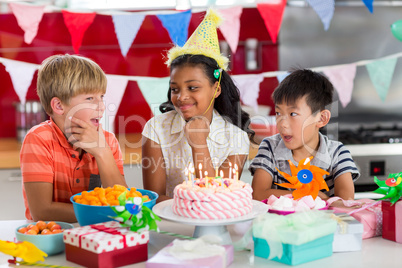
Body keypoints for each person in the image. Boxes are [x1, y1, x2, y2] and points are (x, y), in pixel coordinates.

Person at [142, 10, 254, 202]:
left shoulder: (236, 137)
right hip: (170, 226)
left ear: (216, 89)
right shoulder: (156, 129)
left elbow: (216, 199)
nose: (181, 97)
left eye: (193, 87)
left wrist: (199, 144)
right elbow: (154, 198)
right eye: (175, 89)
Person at [20, 54, 128, 222]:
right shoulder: (39, 139)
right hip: (50, 235)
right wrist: (106, 214)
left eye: (102, 97)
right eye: (90, 98)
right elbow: (42, 211)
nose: (101, 106)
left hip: (93, 233)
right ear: (59, 106)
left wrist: (102, 152)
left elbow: (123, 201)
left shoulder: (108, 141)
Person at [250, 69, 359, 204]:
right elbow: (258, 194)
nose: (282, 124)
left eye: (293, 114)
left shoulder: (337, 153)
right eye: (278, 113)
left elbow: (346, 201)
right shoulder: (270, 147)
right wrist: (313, 195)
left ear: (321, 118)